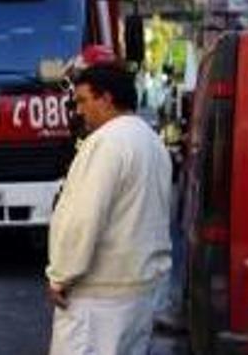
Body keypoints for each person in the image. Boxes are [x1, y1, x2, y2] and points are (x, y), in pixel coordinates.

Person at [47, 62, 172, 355]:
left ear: (106, 99)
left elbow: (84, 217)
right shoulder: (152, 141)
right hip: (139, 291)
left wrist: (61, 275)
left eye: (82, 101)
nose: (78, 111)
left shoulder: (106, 143)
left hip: (99, 298)